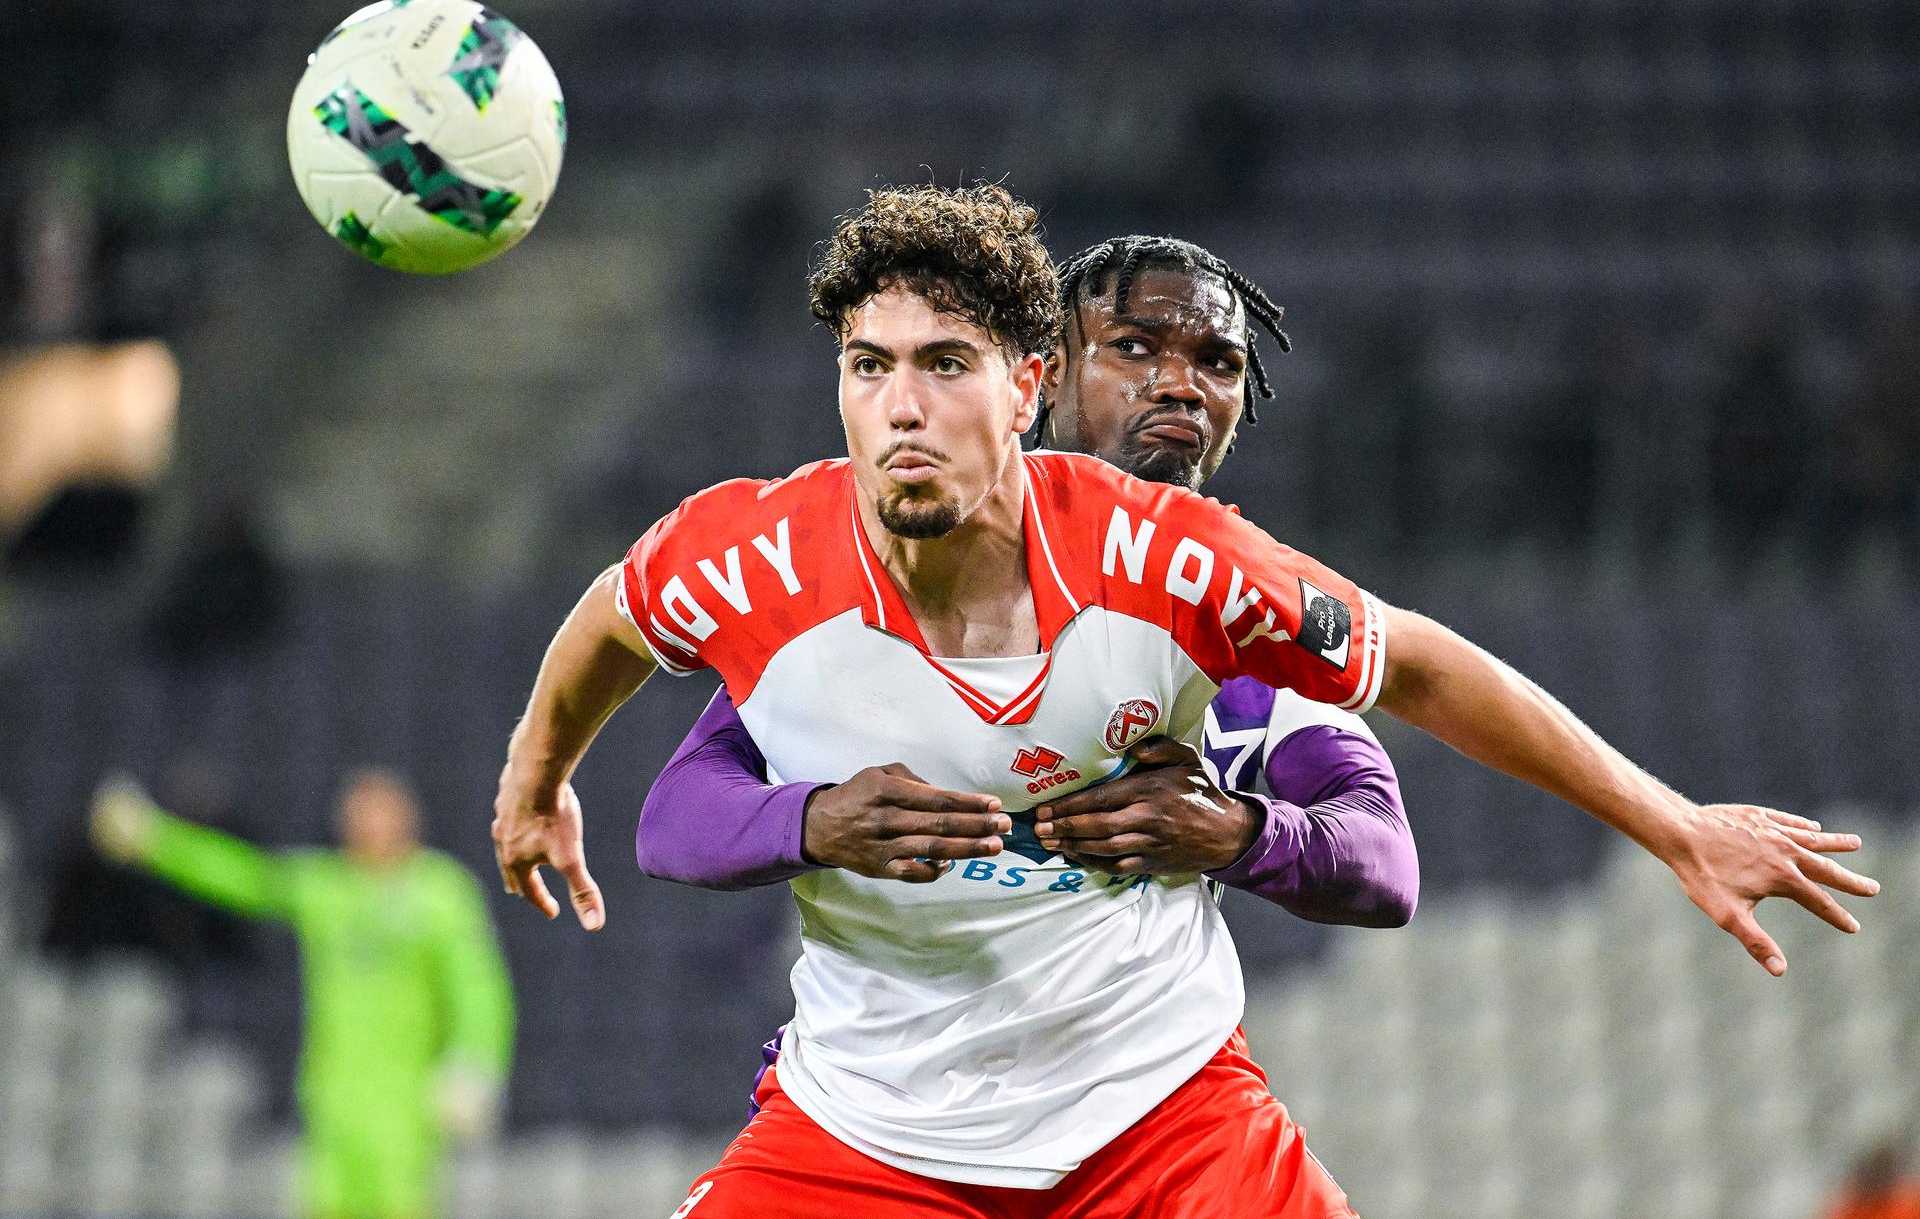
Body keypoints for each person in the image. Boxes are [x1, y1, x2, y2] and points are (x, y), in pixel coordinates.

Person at [491, 183, 1876, 1217]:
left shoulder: (1180, 570)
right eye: (870, 367)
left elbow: (1423, 676)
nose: (902, 405)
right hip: (872, 1134)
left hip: (1157, 1118)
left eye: (945, 364)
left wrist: (1671, 822)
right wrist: (547, 778)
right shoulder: (755, 559)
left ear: (1025, 388)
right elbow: (619, 628)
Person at [636, 235, 1418, 940]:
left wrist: (1241, 833)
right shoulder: (882, 566)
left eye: (1217, 363)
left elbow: (1384, 859)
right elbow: (677, 815)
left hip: (1132, 1073)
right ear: (1038, 379)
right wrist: (812, 822)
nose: (1178, 385)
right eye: (1133, 348)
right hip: (887, 1068)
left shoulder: (1233, 610)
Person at [93, 767, 515, 1219]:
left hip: (403, 1107)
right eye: (358, 814)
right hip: (331, 1102)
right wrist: (155, 838)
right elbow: (247, 878)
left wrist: (476, 1062)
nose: (368, 825)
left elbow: (478, 985)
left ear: (408, 819)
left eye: (379, 812)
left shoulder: (440, 893)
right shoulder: (328, 889)